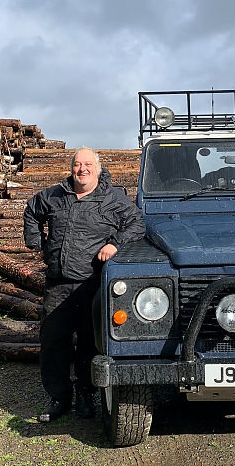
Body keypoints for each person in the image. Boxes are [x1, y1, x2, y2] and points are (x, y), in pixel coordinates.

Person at [23, 147, 145, 423]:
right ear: (71, 168)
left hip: (92, 284)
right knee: (53, 342)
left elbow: (137, 224)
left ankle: (86, 396)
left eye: (88, 164)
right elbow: (32, 210)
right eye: (77, 164)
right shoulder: (55, 195)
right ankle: (59, 397)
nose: (82, 169)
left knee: (90, 343)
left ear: (99, 168)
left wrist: (115, 244)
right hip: (58, 283)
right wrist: (36, 241)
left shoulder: (112, 199)